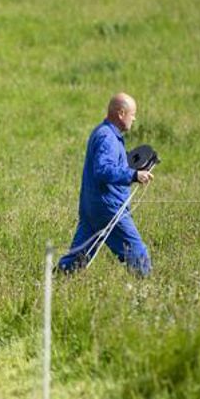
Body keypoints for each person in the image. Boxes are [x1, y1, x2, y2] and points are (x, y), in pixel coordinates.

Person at [57, 92, 154, 276]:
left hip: (92, 206)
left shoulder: (104, 133)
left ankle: (54, 283)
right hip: (108, 208)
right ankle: (147, 296)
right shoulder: (107, 137)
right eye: (132, 114)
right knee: (138, 255)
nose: (134, 119)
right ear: (120, 113)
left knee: (78, 257)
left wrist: (133, 168)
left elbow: (110, 166)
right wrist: (133, 175)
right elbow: (102, 170)